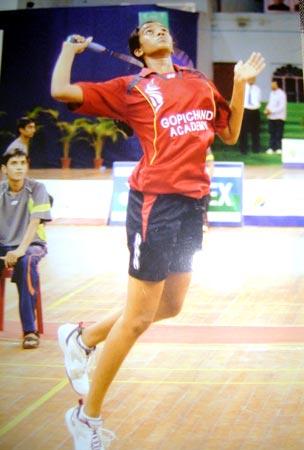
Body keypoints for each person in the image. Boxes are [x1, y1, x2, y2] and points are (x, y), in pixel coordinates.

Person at [51, 21, 265, 450]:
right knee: (137, 319)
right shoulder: (129, 87)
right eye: (148, 30)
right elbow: (62, 91)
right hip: (154, 204)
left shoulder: (198, 81)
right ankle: (85, 415)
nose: (158, 31)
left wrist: (239, 84)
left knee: (170, 305)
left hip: (193, 202)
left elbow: (229, 132)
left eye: (161, 29)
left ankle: (83, 336)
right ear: (139, 47)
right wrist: (68, 51)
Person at [0, 148, 52, 349]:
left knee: (26, 262)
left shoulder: (37, 188)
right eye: (14, 163)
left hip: (32, 244)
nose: (20, 167)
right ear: (4, 169)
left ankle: (30, 330)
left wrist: (20, 250)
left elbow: (34, 223)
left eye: (23, 163)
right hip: (5, 244)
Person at [238, 76, 262, 154]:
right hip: (245, 110)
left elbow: (258, 100)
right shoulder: (242, 88)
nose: (252, 80)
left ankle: (256, 149)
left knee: (256, 131)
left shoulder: (257, 89)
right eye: (250, 78)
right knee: (243, 131)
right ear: (247, 79)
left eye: (254, 79)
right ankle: (244, 149)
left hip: (255, 111)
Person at [264, 80, 287, 154]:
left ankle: (279, 148)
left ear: (277, 85)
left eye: (273, 84)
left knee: (278, 133)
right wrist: (267, 109)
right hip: (271, 117)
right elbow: (270, 103)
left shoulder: (282, 94)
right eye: (271, 84)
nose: (272, 85)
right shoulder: (271, 93)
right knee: (272, 133)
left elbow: (281, 107)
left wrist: (271, 111)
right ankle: (271, 148)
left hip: (279, 117)